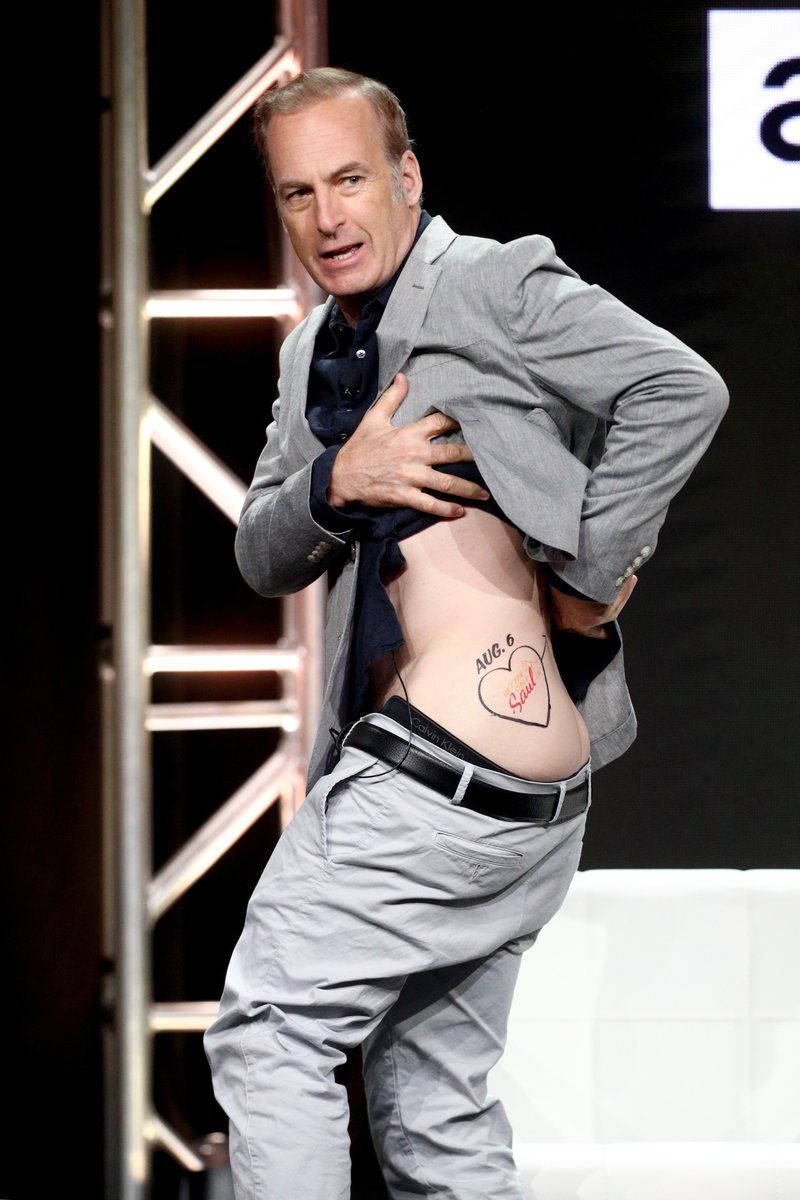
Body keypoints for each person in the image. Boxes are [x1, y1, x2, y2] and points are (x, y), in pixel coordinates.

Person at [203, 67, 729, 1199]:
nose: (327, 217)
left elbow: (678, 388)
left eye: (349, 180)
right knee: (435, 1111)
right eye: (298, 193)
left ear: (407, 176)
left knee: (271, 1031)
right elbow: (259, 552)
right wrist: (337, 483)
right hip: (508, 804)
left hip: (438, 781)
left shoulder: (489, 280)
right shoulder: (306, 353)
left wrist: (588, 573)